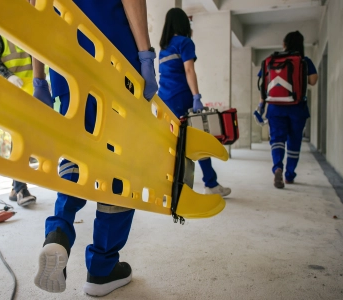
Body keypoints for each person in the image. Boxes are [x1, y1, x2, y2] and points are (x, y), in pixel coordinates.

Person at [29, 0, 157, 296]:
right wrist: (146, 57)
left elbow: (36, 8)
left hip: (63, 54)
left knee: (77, 154)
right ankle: (102, 268)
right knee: (119, 166)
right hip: (114, 54)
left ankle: (58, 232)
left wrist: (39, 78)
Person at [157, 8, 231, 197]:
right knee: (198, 139)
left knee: (173, 143)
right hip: (182, 97)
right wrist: (196, 96)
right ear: (184, 24)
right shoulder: (185, 42)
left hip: (164, 99)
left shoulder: (163, 49)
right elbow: (189, 71)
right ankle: (210, 184)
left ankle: (168, 185)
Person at [257, 31, 318, 188]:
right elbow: (313, 81)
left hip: (275, 108)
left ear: (284, 44)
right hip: (297, 107)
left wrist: (261, 107)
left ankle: (277, 167)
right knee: (294, 141)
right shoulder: (304, 60)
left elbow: (263, 86)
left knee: (277, 139)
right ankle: (289, 175)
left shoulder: (270, 60)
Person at [0, 30, 38, 206]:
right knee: (20, 139)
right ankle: (21, 190)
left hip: (32, 92)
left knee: (26, 140)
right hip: (11, 93)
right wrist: (9, 76)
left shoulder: (30, 25)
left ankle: (15, 188)